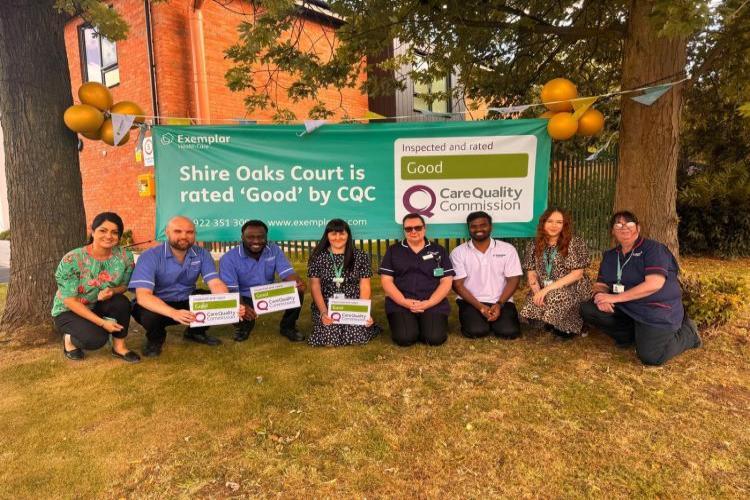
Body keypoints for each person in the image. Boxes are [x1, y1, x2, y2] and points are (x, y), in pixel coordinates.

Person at [581, 211, 701, 365]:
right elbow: (601, 284)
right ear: (613, 231)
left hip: (654, 308)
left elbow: (654, 284)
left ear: (638, 228)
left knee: (652, 357)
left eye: (629, 223)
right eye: (618, 224)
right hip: (626, 307)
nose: (624, 227)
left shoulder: (654, 249)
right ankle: (628, 337)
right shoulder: (610, 256)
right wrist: (599, 296)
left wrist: (614, 298)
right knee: (588, 308)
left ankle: (689, 333)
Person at [129, 216, 242, 357]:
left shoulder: (202, 254)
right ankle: (155, 339)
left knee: (209, 300)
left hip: (185, 299)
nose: (184, 236)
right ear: (166, 232)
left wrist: (228, 304)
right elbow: (143, 296)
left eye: (189, 232)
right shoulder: (149, 256)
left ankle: (195, 332)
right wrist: (173, 313)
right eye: (178, 231)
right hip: (158, 304)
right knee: (149, 315)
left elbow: (215, 283)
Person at [52, 212, 140, 362]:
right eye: (103, 230)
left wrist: (112, 291)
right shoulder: (72, 259)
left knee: (121, 302)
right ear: (93, 232)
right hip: (69, 310)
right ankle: (69, 339)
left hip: (97, 305)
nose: (109, 236)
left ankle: (119, 347)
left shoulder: (125, 256)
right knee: (96, 340)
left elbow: (124, 285)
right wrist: (102, 323)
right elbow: (70, 301)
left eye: (114, 232)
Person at [219, 220, 306, 342]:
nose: (256, 241)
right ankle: (243, 327)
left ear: (266, 237)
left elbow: (287, 273)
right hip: (244, 296)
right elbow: (231, 290)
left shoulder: (273, 249)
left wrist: (297, 282)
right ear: (242, 237)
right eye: (250, 237)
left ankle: (288, 327)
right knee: (232, 305)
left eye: (260, 237)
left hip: (268, 293)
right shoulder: (228, 258)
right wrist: (241, 305)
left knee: (297, 290)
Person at [379, 213, 454, 346]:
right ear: (404, 231)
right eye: (408, 229)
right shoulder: (393, 251)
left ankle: (425, 323)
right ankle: (412, 324)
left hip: (432, 302)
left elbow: (446, 281)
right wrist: (403, 301)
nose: (413, 231)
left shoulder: (438, 250)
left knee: (434, 338)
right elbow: (386, 281)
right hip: (401, 302)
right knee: (405, 338)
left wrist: (429, 303)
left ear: (424, 229)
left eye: (418, 228)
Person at [520, 207, 592, 339]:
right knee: (532, 306)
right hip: (545, 287)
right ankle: (554, 323)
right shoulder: (534, 244)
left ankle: (573, 327)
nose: (554, 226)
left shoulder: (574, 242)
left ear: (564, 225)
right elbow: (531, 271)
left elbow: (577, 274)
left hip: (572, 286)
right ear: (543, 223)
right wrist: (537, 291)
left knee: (554, 297)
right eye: (550, 221)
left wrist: (545, 291)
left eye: (559, 222)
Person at [451, 211, 522, 339]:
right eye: (473, 226)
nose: (478, 229)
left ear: (491, 227)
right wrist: (480, 307)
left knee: (509, 333)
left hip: (501, 301)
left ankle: (497, 320)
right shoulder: (458, 252)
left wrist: (499, 304)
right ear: (469, 229)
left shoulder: (507, 249)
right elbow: (457, 285)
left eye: (483, 225)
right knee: (477, 331)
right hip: (471, 302)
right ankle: (480, 321)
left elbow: (513, 280)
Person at [307, 219, 379, 346]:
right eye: (333, 234)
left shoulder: (360, 255)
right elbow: (315, 286)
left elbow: (365, 285)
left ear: (348, 235)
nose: (338, 237)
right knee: (330, 337)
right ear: (327, 235)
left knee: (356, 337)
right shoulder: (317, 256)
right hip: (327, 303)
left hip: (353, 304)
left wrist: (363, 312)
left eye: (342, 234)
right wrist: (323, 312)